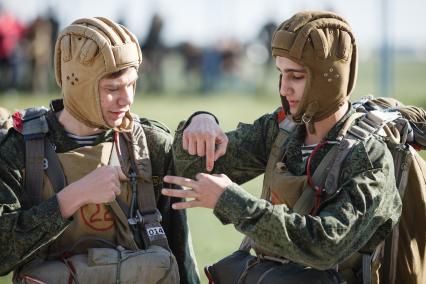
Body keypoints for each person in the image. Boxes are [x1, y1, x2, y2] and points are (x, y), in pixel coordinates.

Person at [162, 11, 402, 283]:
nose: (284, 88)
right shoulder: (282, 130)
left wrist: (233, 202)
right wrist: (201, 120)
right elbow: (193, 167)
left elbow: (324, 245)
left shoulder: (369, 157)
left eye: (296, 76)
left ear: (328, 79)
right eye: (281, 74)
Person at [0, 17, 199, 284]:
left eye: (131, 84)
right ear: (77, 85)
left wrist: (203, 117)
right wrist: (71, 198)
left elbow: (180, 256)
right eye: (113, 88)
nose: (127, 99)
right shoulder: (20, 149)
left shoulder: (150, 145)